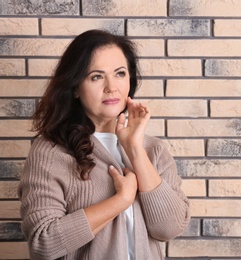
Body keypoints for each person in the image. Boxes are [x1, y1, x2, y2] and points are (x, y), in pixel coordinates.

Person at [18, 29, 190, 260]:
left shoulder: (153, 149)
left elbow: (169, 228)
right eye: (96, 76)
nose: (111, 87)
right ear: (76, 87)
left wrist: (135, 149)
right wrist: (121, 200)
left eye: (120, 73)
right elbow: (43, 244)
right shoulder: (51, 151)